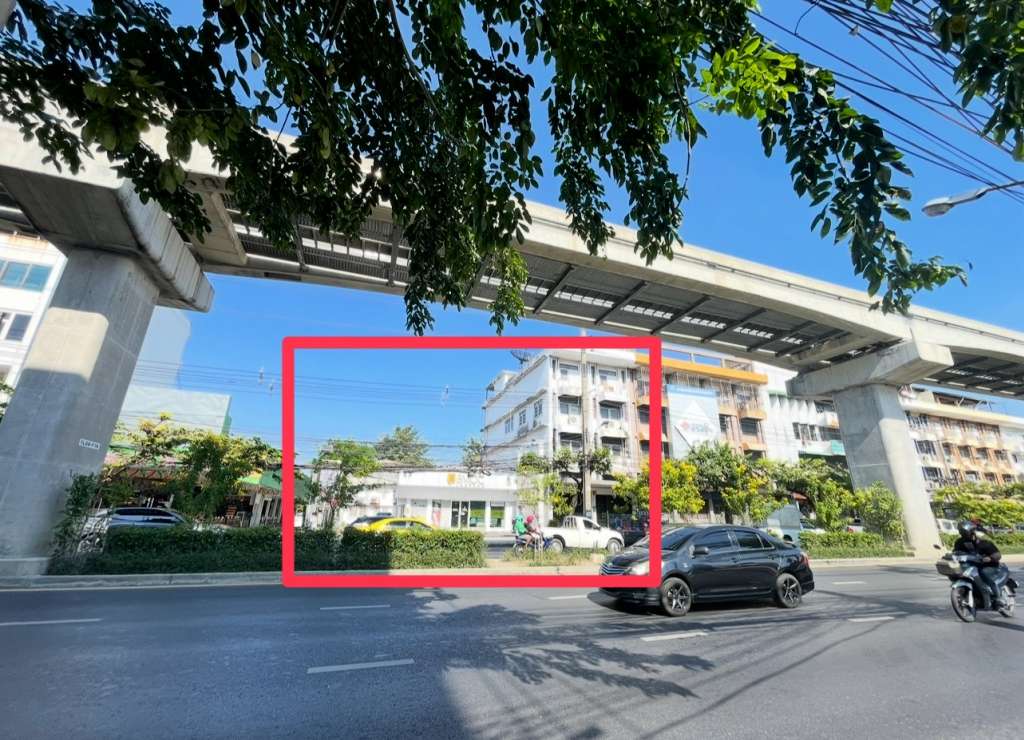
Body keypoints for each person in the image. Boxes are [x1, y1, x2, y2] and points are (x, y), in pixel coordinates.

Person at [952, 520, 1005, 607]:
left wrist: (990, 558)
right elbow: (955, 552)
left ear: (972, 532)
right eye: (962, 532)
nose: (964, 535)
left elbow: (997, 554)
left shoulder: (984, 543)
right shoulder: (959, 542)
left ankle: (998, 598)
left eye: (966, 532)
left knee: (984, 573)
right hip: (972, 566)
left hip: (989, 565)